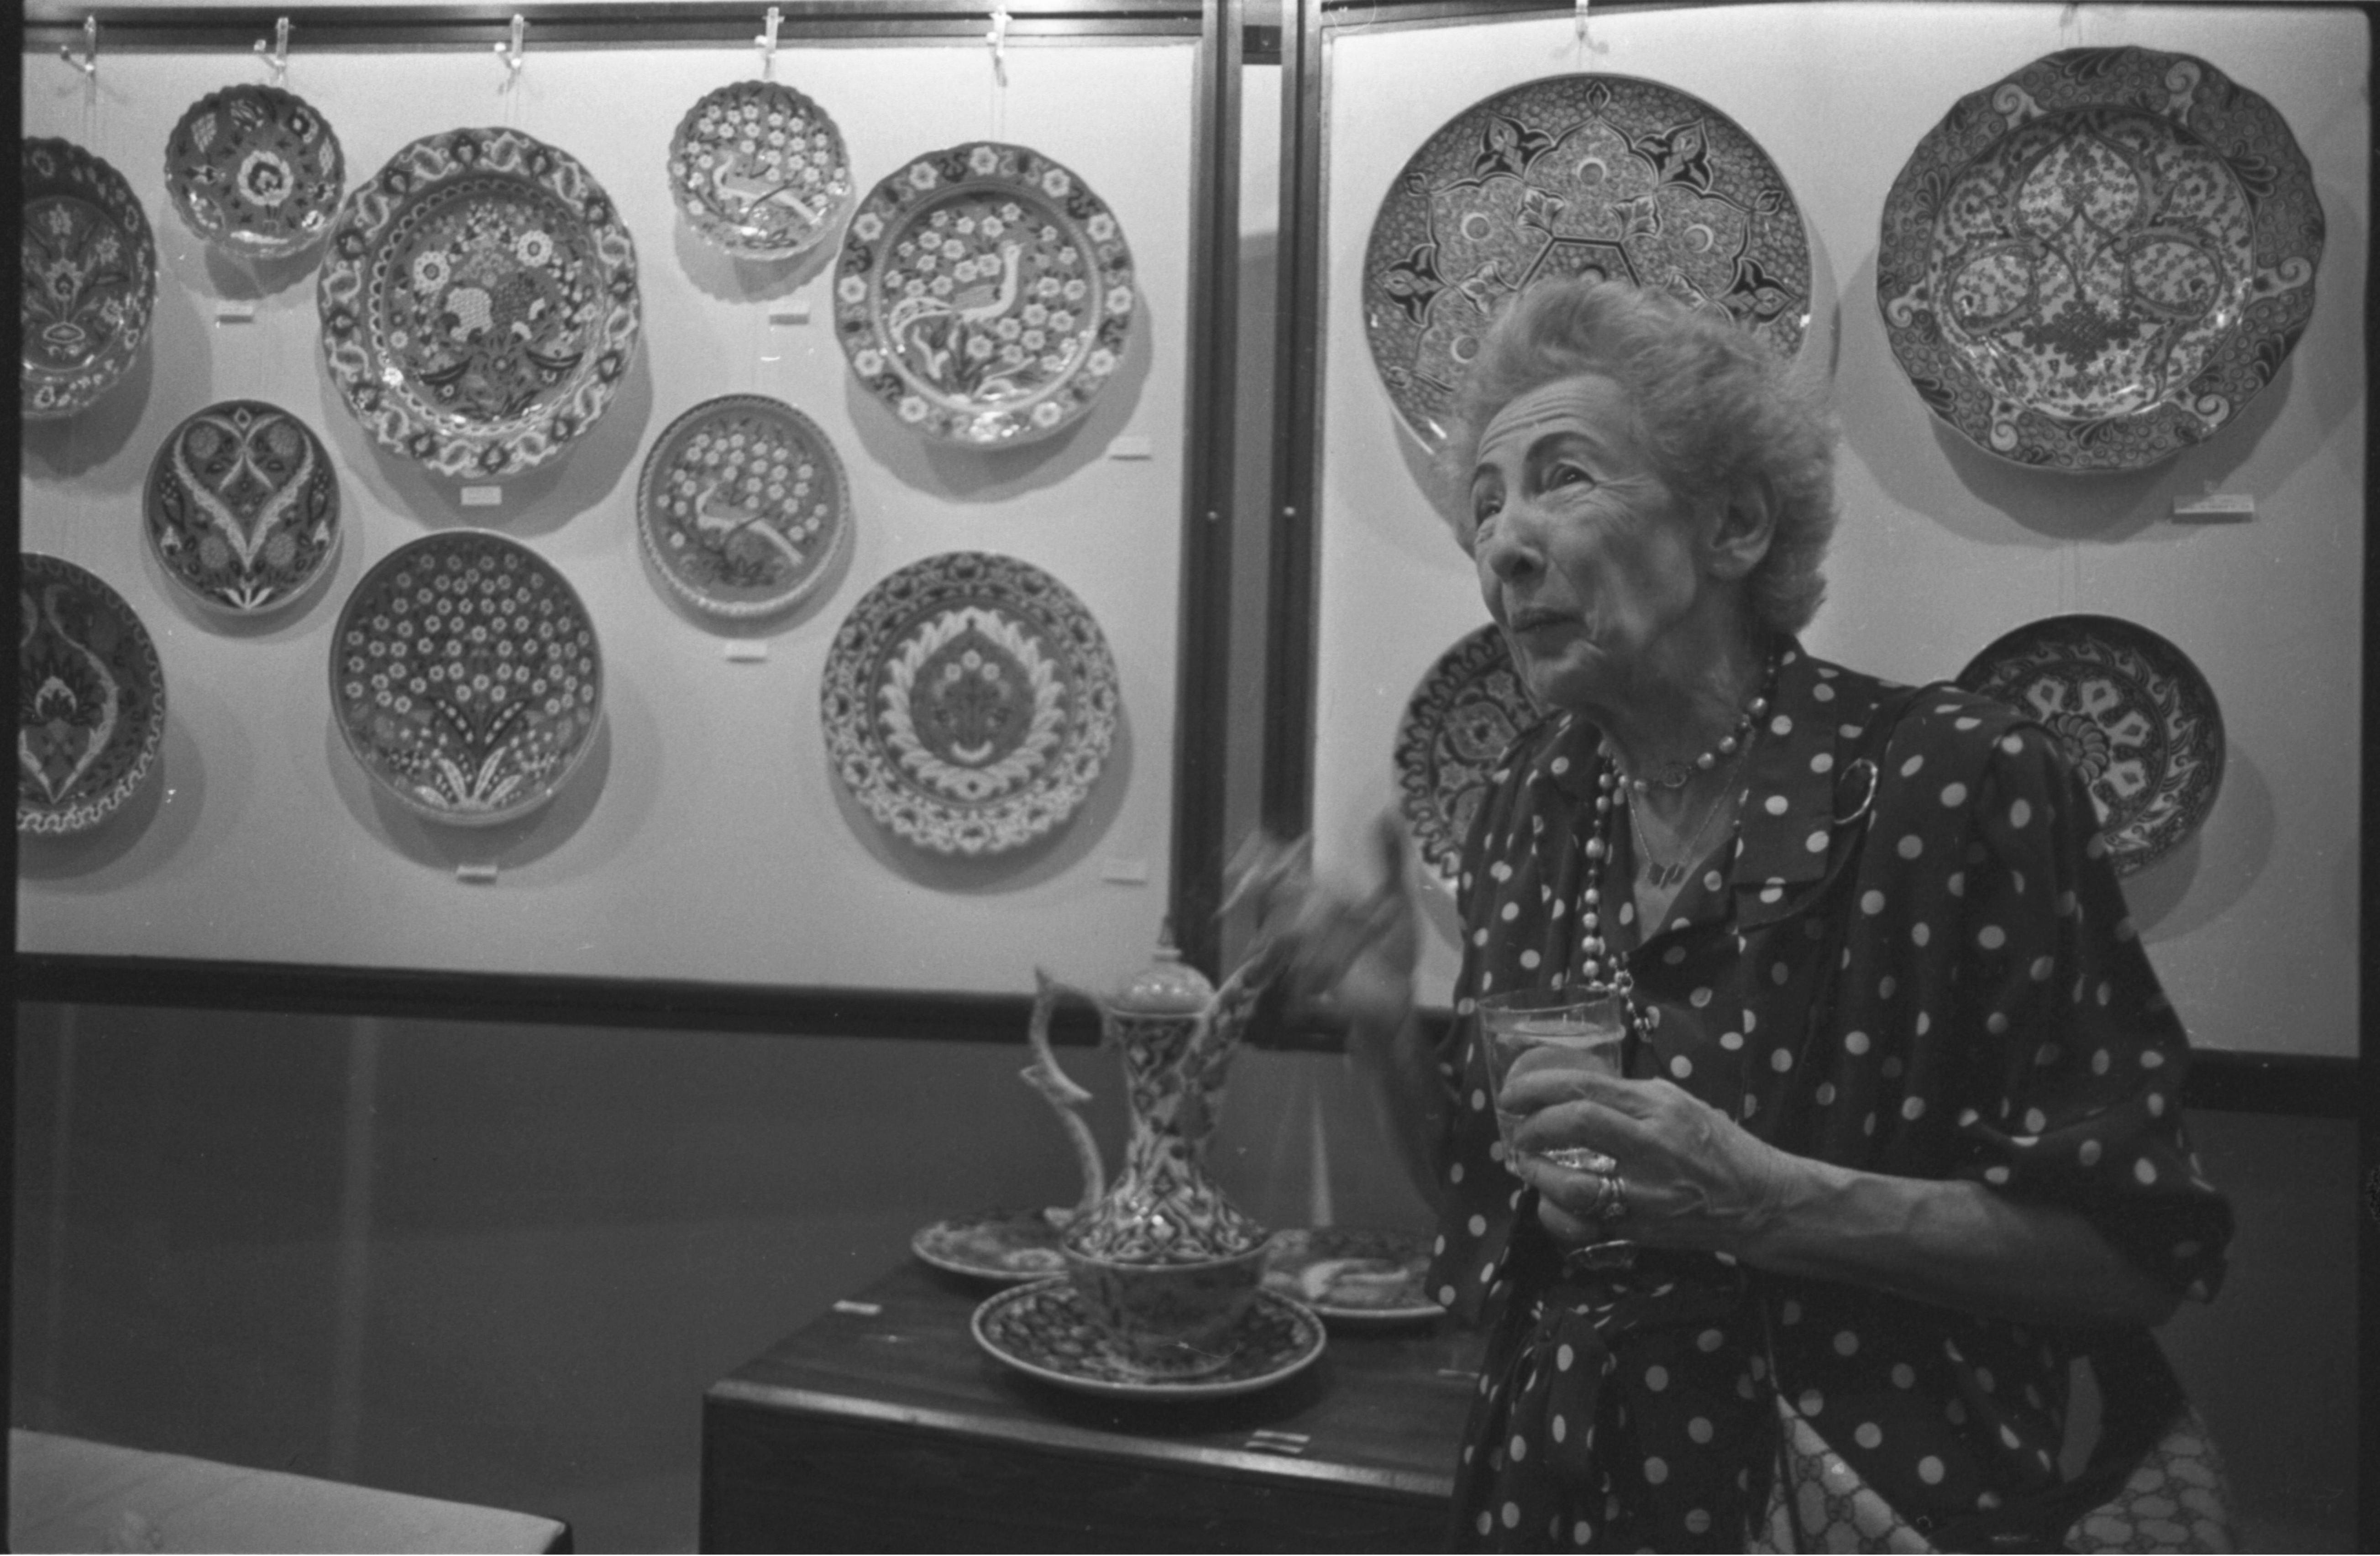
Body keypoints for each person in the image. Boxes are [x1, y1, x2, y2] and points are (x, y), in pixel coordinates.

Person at [1241, 277, 2232, 1551]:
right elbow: (1500, 1212)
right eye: (1484, 506)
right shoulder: (1535, 804)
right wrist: (1385, 1027)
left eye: (1562, 478)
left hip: (1867, 1504)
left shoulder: (1956, 780)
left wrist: (1768, 1202)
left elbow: (2134, 1253)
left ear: (1737, 525)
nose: (1503, 546)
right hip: (1565, 1496)